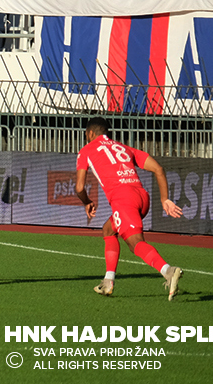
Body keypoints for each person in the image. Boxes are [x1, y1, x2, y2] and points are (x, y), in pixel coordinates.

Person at [75, 119, 185, 299]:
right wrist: (164, 199)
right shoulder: (124, 148)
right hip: (141, 197)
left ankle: (168, 270)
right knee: (108, 229)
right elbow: (158, 169)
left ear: (90, 133)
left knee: (135, 243)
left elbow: (79, 188)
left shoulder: (86, 151)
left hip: (124, 200)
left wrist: (86, 201)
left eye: (86, 134)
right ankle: (108, 281)